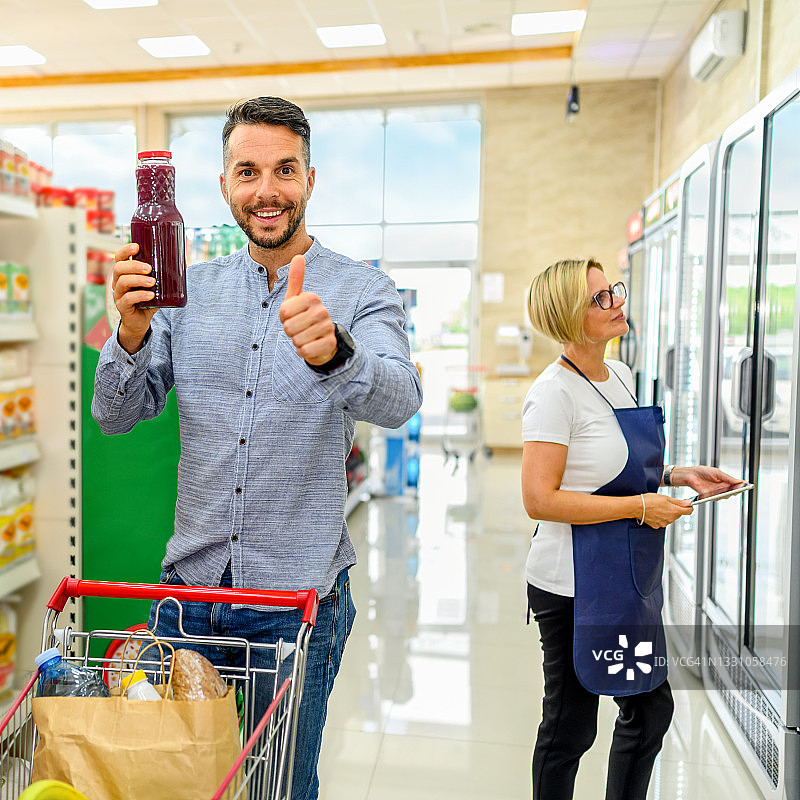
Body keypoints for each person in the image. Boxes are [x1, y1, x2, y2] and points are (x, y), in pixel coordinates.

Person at [92, 96, 422, 800]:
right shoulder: (186, 292)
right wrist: (125, 333)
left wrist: (338, 355)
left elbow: (399, 400)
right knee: (170, 784)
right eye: (248, 171)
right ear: (223, 186)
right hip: (186, 600)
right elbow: (116, 416)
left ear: (309, 178)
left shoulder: (364, 291)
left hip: (294, 604)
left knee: (279, 787)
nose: (266, 190)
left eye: (284, 170)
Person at [520, 258, 741, 800]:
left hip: (623, 577)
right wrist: (639, 506)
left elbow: (610, 466)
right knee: (571, 727)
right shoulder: (553, 394)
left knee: (649, 707)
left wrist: (674, 473)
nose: (617, 301)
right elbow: (538, 499)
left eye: (612, 290)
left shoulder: (617, 375)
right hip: (572, 584)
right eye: (599, 298)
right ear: (568, 316)